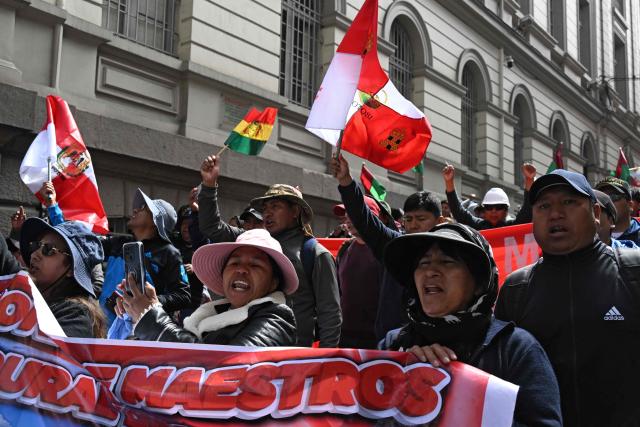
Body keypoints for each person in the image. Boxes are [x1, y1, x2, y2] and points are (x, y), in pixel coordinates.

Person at [495, 169, 640, 426]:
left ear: (595, 213)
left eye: (569, 202)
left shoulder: (633, 271)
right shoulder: (516, 288)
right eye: (544, 206)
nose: (555, 213)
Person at [380, 222, 562, 425]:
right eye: (423, 263)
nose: (430, 272)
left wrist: (460, 397)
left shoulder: (516, 350)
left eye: (447, 262)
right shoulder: (394, 344)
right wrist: (400, 379)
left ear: (479, 284)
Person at [198, 155, 341, 347]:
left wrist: (322, 364)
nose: (267, 213)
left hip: (292, 356)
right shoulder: (251, 242)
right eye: (265, 208)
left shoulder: (315, 253)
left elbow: (330, 314)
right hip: (247, 346)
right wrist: (209, 186)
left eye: (275, 206)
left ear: (295, 212)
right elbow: (212, 228)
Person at [330, 154, 444, 340]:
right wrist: (346, 182)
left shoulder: (455, 254)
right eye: (408, 219)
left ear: (439, 221)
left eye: (421, 219)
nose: (413, 225)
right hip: (389, 344)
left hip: (432, 346)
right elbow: (365, 221)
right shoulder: (395, 247)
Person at [118, 229, 297, 347]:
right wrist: (135, 311)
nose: (241, 269)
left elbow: (225, 368)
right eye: (234, 263)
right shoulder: (205, 316)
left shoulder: (278, 317)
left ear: (273, 283)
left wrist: (151, 316)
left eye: (256, 265)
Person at [103, 188, 191, 339]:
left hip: (138, 337)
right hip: (102, 331)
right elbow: (83, 245)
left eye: (144, 208)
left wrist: (147, 303)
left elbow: (183, 295)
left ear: (156, 222)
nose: (135, 209)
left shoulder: (168, 252)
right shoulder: (117, 243)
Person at [20, 218, 106, 338]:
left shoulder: (76, 316)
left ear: (70, 269)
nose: (34, 255)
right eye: (35, 246)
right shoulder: (25, 296)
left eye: (48, 249)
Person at [333, 198, 384, 349]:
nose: (348, 220)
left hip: (376, 341)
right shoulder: (345, 249)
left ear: (371, 216)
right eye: (346, 215)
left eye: (353, 215)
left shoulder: (385, 250)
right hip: (344, 337)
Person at [442, 163, 536, 229]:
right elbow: (458, 212)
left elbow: (527, 211)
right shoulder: (478, 226)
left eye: (499, 207)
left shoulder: (512, 227)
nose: (493, 211)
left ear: (506, 210)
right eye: (489, 207)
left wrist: (529, 180)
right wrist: (449, 182)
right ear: (484, 210)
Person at [595, 176, 640, 245]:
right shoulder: (587, 237)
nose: (607, 202)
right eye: (600, 198)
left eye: (613, 197)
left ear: (630, 205)